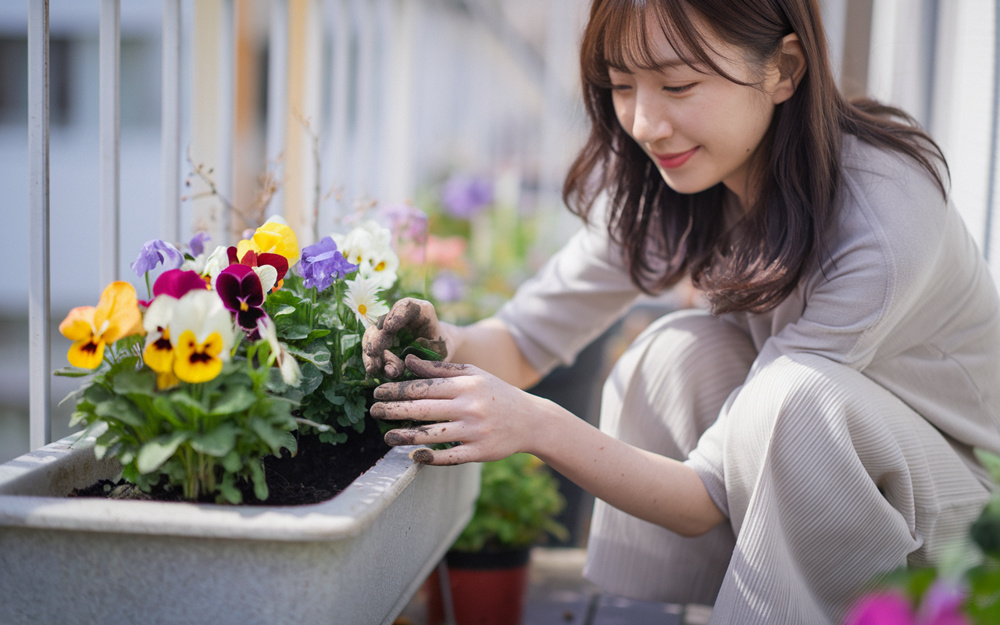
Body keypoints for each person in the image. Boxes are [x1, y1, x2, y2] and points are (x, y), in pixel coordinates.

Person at [362, 1, 1000, 623]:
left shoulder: (882, 224)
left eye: (677, 84)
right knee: (676, 354)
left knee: (792, 400)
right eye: (621, 85)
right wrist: (437, 338)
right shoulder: (681, 179)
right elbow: (524, 340)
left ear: (784, 69)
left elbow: (706, 495)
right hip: (850, 484)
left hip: (964, 528)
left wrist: (535, 425)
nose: (645, 123)